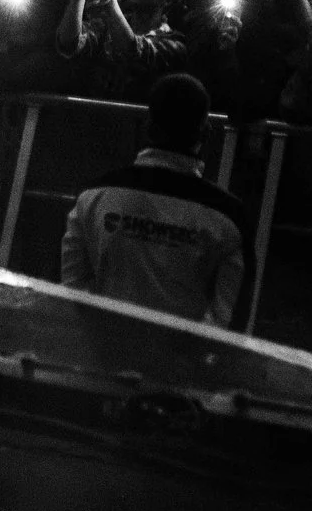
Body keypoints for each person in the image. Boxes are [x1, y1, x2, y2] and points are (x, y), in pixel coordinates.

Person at [59, 73, 250, 327]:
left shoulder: (92, 197)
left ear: (148, 125)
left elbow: (71, 292)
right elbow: (228, 320)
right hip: (182, 352)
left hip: (103, 344)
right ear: (205, 133)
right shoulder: (228, 219)